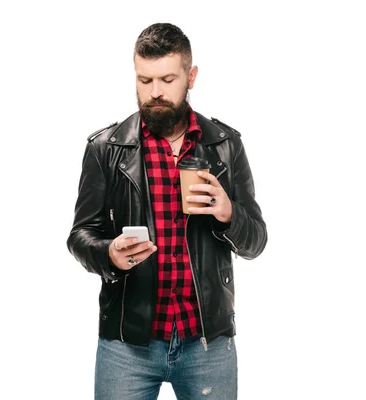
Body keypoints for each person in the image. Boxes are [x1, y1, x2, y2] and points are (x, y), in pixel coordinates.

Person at [66, 22, 267, 400]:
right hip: (127, 344)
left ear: (191, 77)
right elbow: (80, 235)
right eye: (144, 80)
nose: (155, 92)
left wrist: (228, 214)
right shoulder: (106, 149)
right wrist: (108, 254)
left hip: (208, 344)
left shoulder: (225, 145)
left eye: (167, 79)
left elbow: (256, 240)